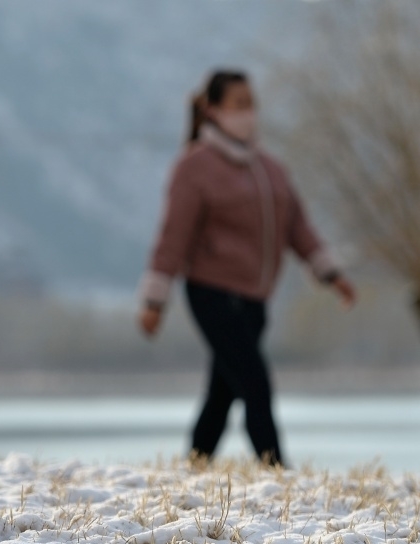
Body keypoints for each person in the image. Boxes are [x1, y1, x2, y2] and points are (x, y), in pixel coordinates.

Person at [138, 70, 356, 467]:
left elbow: (298, 228)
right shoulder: (194, 167)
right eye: (238, 104)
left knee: (222, 391)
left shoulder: (269, 169)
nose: (248, 112)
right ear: (213, 109)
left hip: (255, 297)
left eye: (251, 103)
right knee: (255, 383)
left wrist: (333, 275)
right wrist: (155, 299)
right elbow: (173, 239)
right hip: (211, 291)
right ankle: (276, 473)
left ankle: (195, 465)